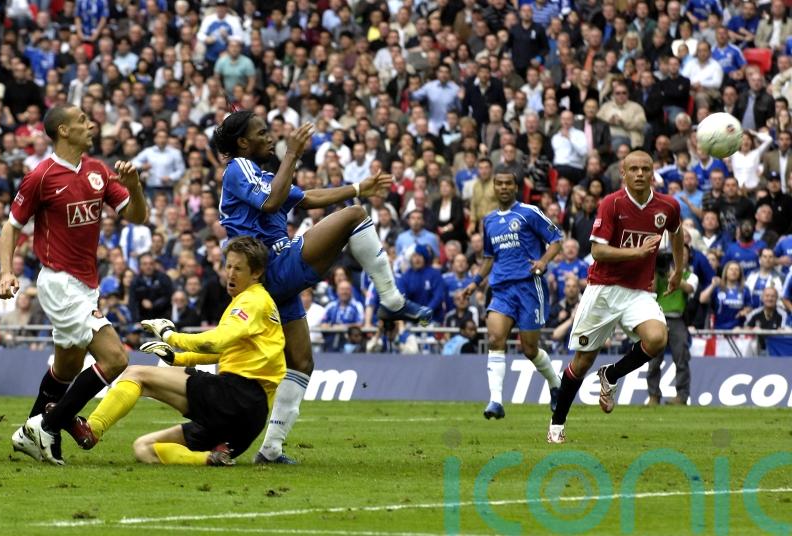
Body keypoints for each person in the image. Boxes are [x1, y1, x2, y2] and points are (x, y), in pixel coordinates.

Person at [213, 112, 431, 464]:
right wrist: (292, 154)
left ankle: (270, 449)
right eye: (262, 133)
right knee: (355, 216)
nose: (271, 137)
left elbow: (306, 198)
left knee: (301, 361)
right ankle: (390, 299)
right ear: (242, 142)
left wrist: (359, 187)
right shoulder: (239, 167)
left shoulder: (265, 175)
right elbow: (271, 202)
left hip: (268, 278)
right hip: (266, 267)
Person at [0, 104, 148, 465]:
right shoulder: (41, 176)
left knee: (66, 369)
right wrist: (6, 272)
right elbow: (11, 226)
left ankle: (34, 429)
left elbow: (137, 216)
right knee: (116, 359)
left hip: (86, 284)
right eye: (82, 120)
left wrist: (135, 186)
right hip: (60, 283)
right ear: (63, 130)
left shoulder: (97, 171)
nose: (91, 124)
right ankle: (49, 425)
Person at [81, 236, 285, 465]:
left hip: (237, 397)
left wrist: (171, 335)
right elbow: (224, 351)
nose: (230, 273)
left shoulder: (252, 301)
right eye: (228, 266)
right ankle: (211, 458)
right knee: (144, 448)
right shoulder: (256, 303)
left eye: (238, 268)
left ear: (256, 273)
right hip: (246, 423)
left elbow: (216, 342)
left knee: (135, 374)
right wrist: (177, 358)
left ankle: (92, 429)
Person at [549, 150, 683, 443]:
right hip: (604, 289)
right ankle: (557, 424)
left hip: (639, 292)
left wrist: (678, 269)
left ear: (652, 174)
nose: (639, 174)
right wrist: (637, 252)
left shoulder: (668, 206)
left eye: (645, 169)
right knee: (582, 362)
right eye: (633, 169)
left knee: (658, 338)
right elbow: (597, 251)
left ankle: (611, 374)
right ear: (623, 173)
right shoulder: (611, 203)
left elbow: (677, 232)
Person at [462, 172, 563, 420]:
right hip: (502, 288)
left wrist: (542, 261)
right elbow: (488, 258)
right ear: (494, 188)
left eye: (509, 183)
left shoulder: (529, 212)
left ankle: (556, 385)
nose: (504, 187)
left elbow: (556, 239)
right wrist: (475, 282)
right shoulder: (489, 221)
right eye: (500, 183)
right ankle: (495, 401)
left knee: (529, 349)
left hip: (529, 286)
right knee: (496, 338)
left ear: (516, 187)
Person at [646, 245, 698, 406]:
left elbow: (688, 288)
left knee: (681, 357)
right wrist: (654, 268)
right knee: (653, 359)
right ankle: (653, 396)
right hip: (657, 318)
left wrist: (671, 273)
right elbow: (651, 289)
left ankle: (682, 396)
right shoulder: (658, 274)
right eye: (678, 252)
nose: (680, 255)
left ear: (688, 257)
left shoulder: (691, 276)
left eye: (684, 254)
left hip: (677, 319)